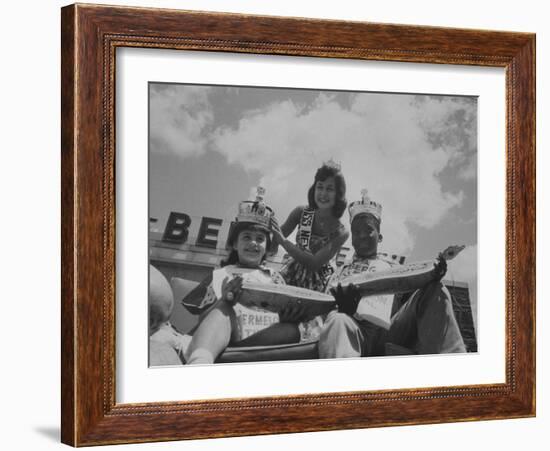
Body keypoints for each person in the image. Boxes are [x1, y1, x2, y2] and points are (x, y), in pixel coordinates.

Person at [319, 190, 466, 358]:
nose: (361, 236)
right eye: (356, 232)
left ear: (379, 236)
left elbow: (414, 302)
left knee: (437, 290)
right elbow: (323, 313)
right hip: (353, 329)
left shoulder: (394, 268)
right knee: (338, 320)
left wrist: (432, 273)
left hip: (390, 331)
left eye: (368, 230)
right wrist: (345, 310)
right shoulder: (339, 272)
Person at [185, 188, 304, 365]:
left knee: (292, 330)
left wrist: (290, 315)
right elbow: (204, 321)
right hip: (224, 334)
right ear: (234, 243)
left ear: (266, 247)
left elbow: (282, 313)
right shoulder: (219, 275)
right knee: (222, 311)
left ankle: (234, 347)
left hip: (262, 338)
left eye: (260, 239)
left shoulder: (277, 278)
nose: (253, 243)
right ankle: (199, 363)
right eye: (246, 237)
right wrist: (224, 301)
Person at [270, 160, 350, 339]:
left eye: (329, 189)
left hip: (318, 284)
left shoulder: (342, 231)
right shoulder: (302, 212)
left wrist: (283, 242)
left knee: (310, 331)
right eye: (319, 187)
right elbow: (274, 240)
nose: (322, 193)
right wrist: (263, 232)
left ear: (339, 194)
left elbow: (314, 263)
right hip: (291, 273)